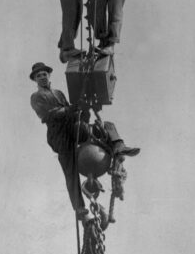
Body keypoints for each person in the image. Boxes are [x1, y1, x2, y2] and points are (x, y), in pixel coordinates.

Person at [29, 61, 140, 220]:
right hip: (59, 136)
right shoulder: (36, 97)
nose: (42, 77)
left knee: (107, 125)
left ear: (49, 75)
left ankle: (118, 146)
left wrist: (83, 108)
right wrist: (72, 109)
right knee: (70, 170)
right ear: (35, 79)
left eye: (44, 74)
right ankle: (79, 208)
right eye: (38, 76)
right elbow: (49, 115)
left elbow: (72, 113)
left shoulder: (59, 93)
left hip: (73, 129)